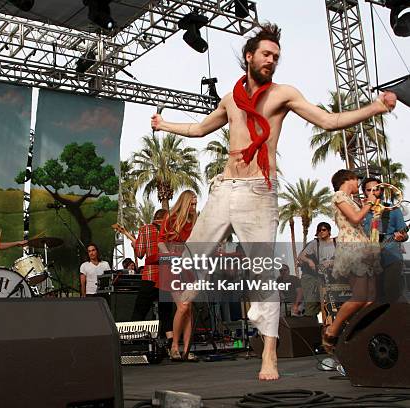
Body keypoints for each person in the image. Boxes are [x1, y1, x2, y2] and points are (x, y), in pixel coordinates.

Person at [150, 23, 395, 380]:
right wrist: (165, 124)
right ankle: (184, 307)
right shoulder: (232, 97)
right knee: (189, 260)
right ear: (249, 56)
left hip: (259, 192)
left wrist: (374, 108)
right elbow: (201, 129)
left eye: (276, 57)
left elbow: (329, 121)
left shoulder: (282, 94)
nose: (271, 61)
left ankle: (269, 354)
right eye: (266, 54)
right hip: (224, 188)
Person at [323, 170, 381, 353]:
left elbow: (360, 220)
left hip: (363, 247)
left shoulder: (353, 200)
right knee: (359, 297)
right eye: (357, 181)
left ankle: (355, 332)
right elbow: (355, 218)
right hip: (352, 248)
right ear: (349, 179)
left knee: (370, 299)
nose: (359, 185)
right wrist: (369, 203)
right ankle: (332, 329)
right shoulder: (339, 196)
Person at [158, 190, 198, 362]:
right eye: (192, 204)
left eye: (196, 204)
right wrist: (169, 255)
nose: (194, 207)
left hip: (188, 267)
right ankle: (174, 346)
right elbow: (160, 241)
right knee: (182, 307)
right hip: (172, 266)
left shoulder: (195, 221)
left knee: (188, 309)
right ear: (185, 203)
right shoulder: (171, 218)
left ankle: (187, 350)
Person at [128, 209, 174, 344]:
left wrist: (134, 245)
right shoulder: (170, 231)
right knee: (166, 313)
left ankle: (133, 341)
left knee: (140, 309)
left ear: (155, 217)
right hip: (167, 275)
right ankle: (171, 345)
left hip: (150, 275)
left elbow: (140, 253)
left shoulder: (145, 229)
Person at [361, 177, 408, 303]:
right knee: (375, 296)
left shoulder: (393, 210)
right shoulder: (362, 213)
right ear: (364, 192)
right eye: (368, 190)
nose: (372, 192)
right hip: (369, 261)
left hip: (391, 258)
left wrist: (401, 236)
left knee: (392, 293)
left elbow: (404, 233)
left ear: (381, 190)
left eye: (375, 189)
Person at [297, 222, 336, 317]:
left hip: (335, 275)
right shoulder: (315, 243)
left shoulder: (336, 242)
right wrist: (310, 261)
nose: (321, 232)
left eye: (323, 229)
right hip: (318, 276)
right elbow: (301, 256)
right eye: (319, 230)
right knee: (313, 304)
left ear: (329, 231)